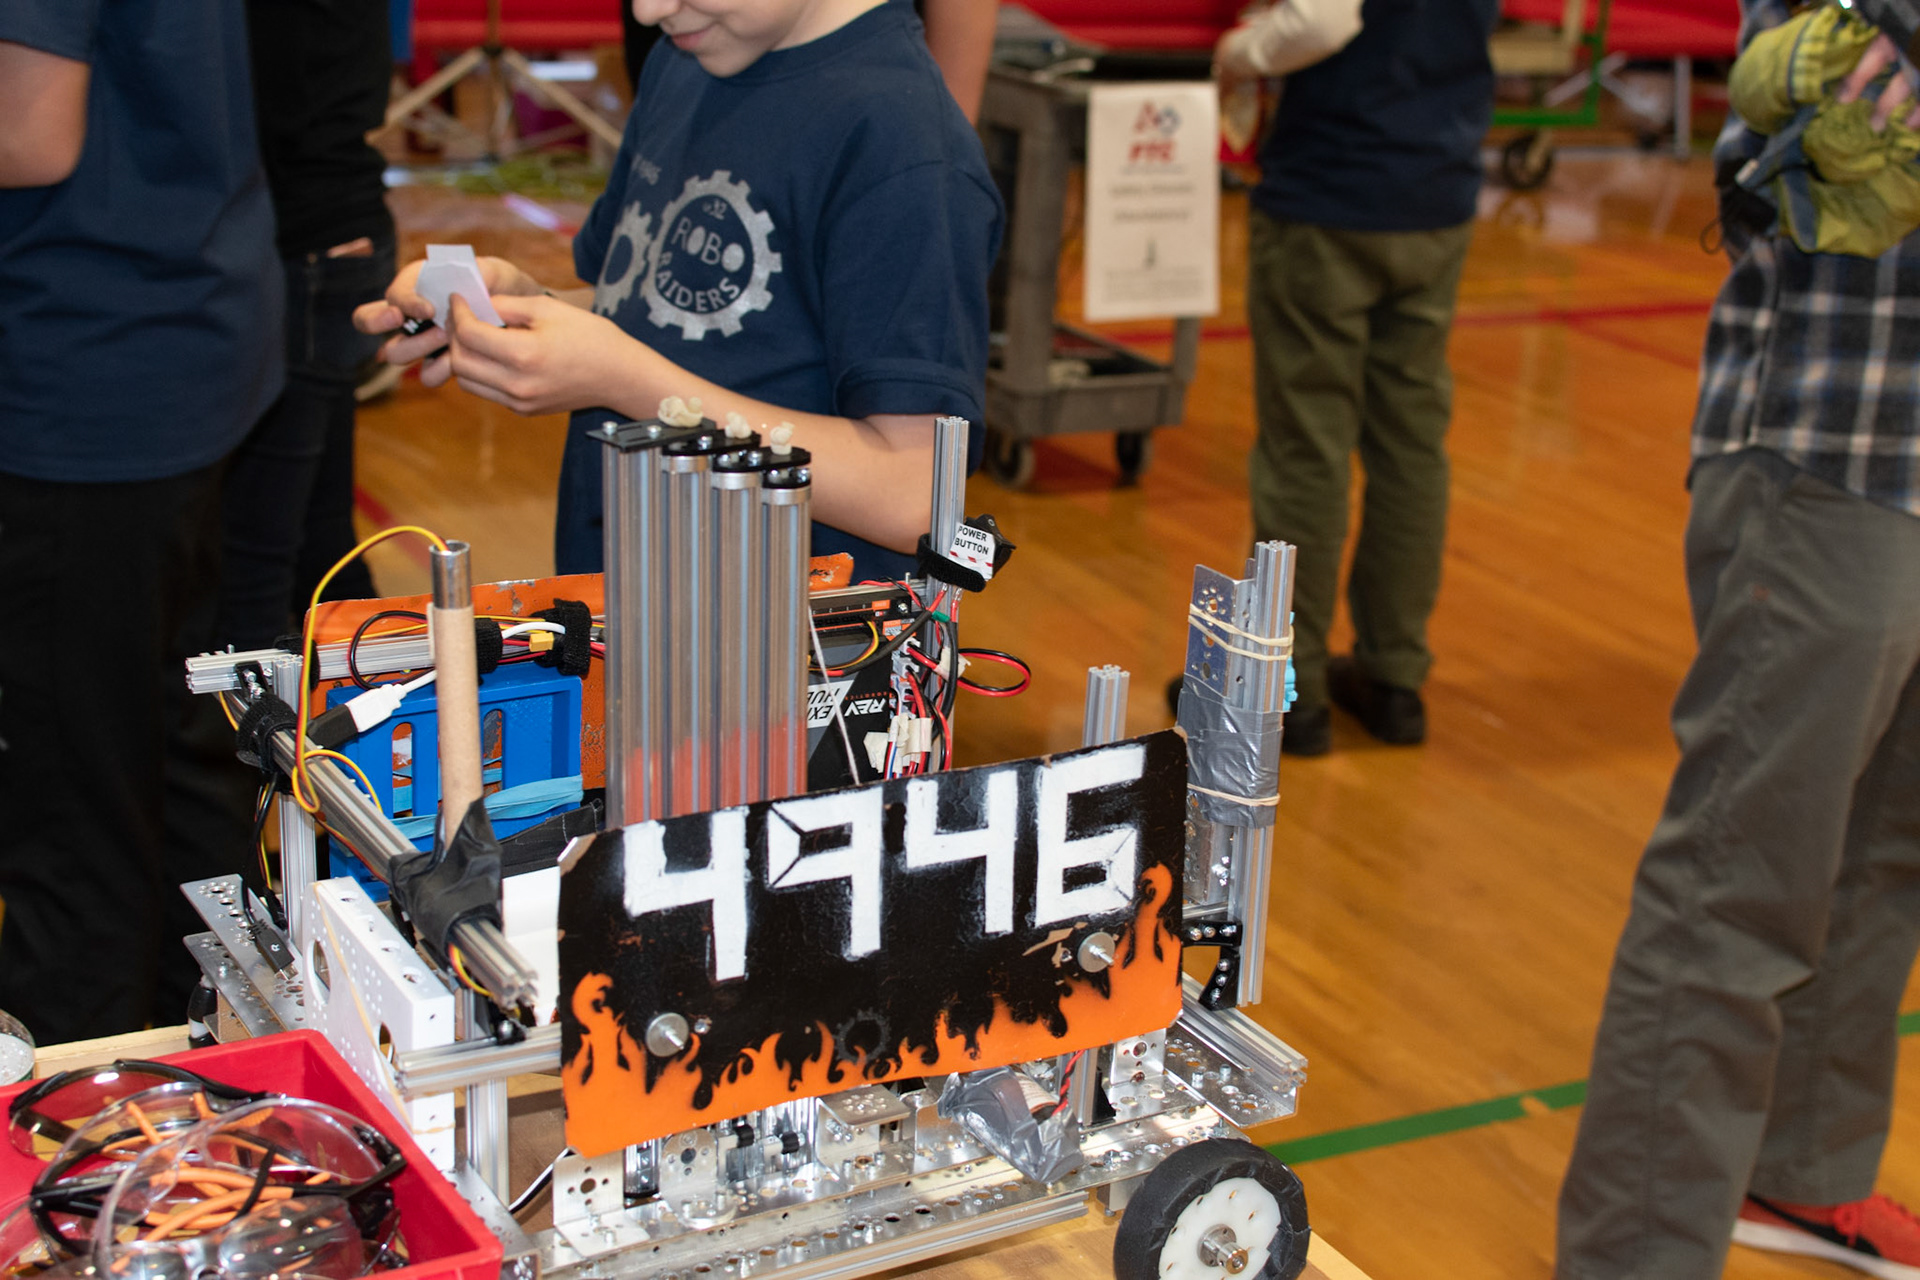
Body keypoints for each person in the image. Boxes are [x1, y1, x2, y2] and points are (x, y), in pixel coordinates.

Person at [1555, 8, 1920, 1277]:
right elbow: (1809, 119)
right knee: (1740, 878)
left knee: (1885, 849)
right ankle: (1635, 1254)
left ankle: (1801, 1169)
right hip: (1831, 450)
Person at [363, 0, 1003, 584]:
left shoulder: (905, 149)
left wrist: (625, 381)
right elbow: (648, 310)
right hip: (633, 600)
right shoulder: (687, 60)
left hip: (790, 642)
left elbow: (913, 498)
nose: (648, 11)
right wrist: (520, 309)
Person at [0, 0, 281, 1040]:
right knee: (173, 757)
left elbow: (31, 130)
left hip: (89, 356)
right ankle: (203, 1069)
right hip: (182, 323)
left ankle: (82, 1104)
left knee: (72, 811)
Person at [1215, 0, 1498, 757]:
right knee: (1411, 445)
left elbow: (1322, 18)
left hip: (1332, 190)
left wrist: (1240, 52)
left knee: (1305, 451)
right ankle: (1394, 678)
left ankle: (1286, 690)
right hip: (1437, 186)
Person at [217, 0, 396, 652]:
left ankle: (267, 716)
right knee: (320, 545)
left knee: (256, 563)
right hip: (332, 232)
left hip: (307, 244)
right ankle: (388, 693)